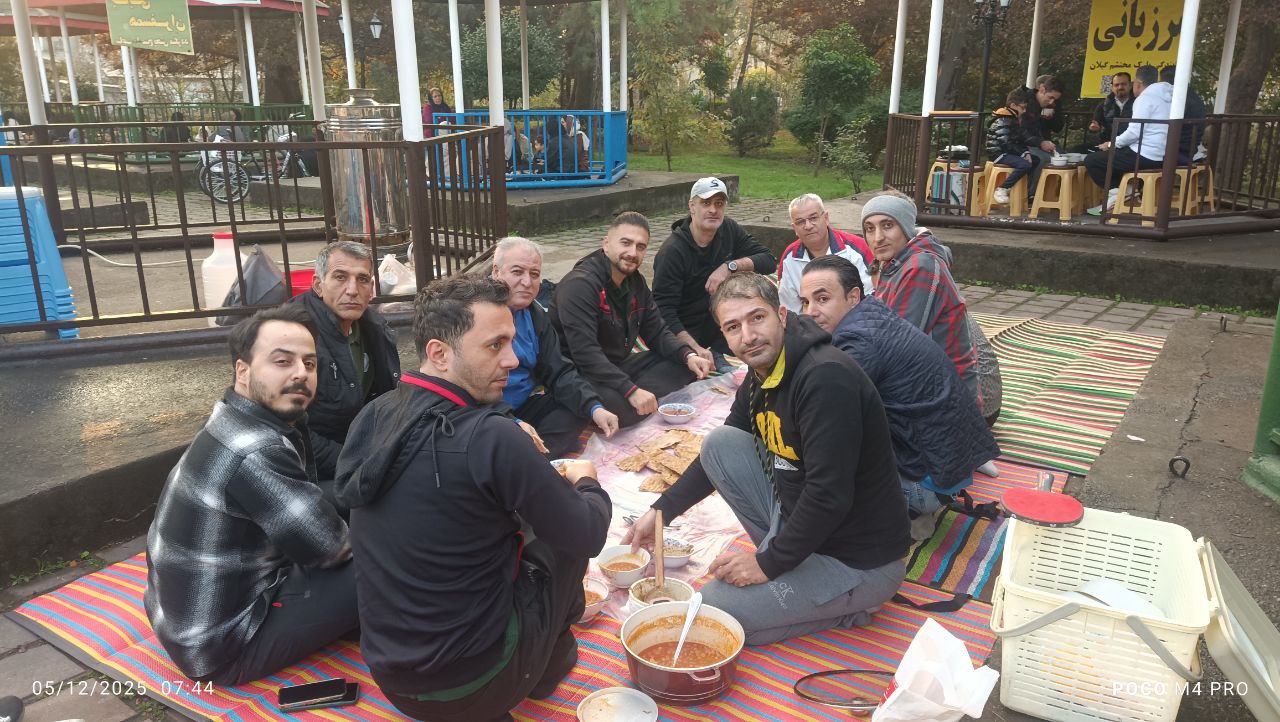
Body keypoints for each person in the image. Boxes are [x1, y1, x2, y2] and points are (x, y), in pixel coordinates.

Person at [335, 275, 612, 722]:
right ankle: (545, 666)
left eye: (511, 341)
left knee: (525, 518)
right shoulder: (493, 439)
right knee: (566, 528)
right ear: (439, 354)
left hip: (392, 677)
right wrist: (586, 482)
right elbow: (589, 535)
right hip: (475, 683)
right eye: (495, 345)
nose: (514, 359)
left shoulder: (375, 414)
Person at [624, 273, 909, 646]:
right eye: (733, 327)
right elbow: (722, 450)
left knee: (710, 611)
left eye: (757, 318)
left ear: (782, 316)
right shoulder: (764, 371)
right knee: (720, 443)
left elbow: (828, 495)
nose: (748, 336)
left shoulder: (825, 379)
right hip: (806, 529)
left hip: (858, 560)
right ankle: (791, 568)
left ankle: (848, 607)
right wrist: (661, 512)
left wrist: (766, 563)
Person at [145, 305, 355, 686]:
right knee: (389, 559)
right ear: (242, 372)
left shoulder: (232, 415)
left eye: (310, 363)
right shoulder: (255, 449)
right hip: (222, 649)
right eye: (282, 361)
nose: (301, 373)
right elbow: (334, 549)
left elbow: (313, 500)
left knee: (345, 503)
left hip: (184, 621)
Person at [799, 255, 999, 538]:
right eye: (804, 302)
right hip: (952, 465)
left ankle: (909, 514)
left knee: (817, 445)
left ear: (853, 296)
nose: (810, 312)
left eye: (822, 299)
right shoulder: (873, 314)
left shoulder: (856, 342)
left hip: (929, 482)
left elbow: (824, 415)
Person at [550, 212, 713, 428]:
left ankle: (642, 397)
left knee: (686, 364)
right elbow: (585, 353)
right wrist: (630, 390)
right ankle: (636, 399)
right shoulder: (580, 285)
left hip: (616, 366)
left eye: (640, 247)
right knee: (624, 411)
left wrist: (688, 355)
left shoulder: (635, 281)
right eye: (625, 243)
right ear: (606, 244)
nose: (632, 253)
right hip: (578, 374)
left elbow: (657, 331)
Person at [862, 191, 1001, 424]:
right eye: (869, 228)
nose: (877, 238)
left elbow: (895, 350)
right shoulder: (895, 262)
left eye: (887, 225)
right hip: (941, 394)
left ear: (906, 227)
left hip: (958, 411)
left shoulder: (921, 265)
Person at [491, 236, 620, 457]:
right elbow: (470, 390)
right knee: (498, 435)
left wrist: (594, 408)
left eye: (534, 274)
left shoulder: (535, 313)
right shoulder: (477, 315)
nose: (527, 282)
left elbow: (558, 370)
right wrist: (513, 422)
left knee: (583, 405)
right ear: (496, 272)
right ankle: (529, 457)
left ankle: (533, 456)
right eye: (517, 272)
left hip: (523, 405)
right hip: (486, 410)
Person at [292, 241, 400, 484]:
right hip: (309, 472)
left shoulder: (374, 328)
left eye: (362, 279)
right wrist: (355, 463)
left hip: (360, 456)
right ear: (318, 285)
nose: (352, 290)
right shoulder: (293, 332)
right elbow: (287, 429)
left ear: (371, 288)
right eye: (340, 277)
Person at [653, 177, 777, 371]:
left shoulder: (728, 229)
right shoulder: (672, 252)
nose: (713, 210)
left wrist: (730, 266)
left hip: (724, 331)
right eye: (706, 203)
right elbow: (663, 312)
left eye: (719, 204)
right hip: (686, 336)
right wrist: (693, 349)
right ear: (692, 206)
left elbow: (768, 260)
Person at [1085, 65, 1171, 215]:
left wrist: (1111, 144)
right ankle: (1126, 191)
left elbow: (1134, 132)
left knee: (1092, 160)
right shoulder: (1168, 97)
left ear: (1136, 83)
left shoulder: (1144, 98)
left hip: (1145, 155)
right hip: (1162, 154)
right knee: (1113, 157)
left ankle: (1120, 193)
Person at [776, 193, 873, 313]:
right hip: (809, 323)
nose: (808, 226)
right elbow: (790, 309)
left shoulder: (858, 248)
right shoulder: (789, 258)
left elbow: (871, 298)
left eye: (813, 218)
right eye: (800, 222)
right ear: (794, 228)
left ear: (826, 218)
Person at [986, 88, 1038, 206]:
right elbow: (1005, 143)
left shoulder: (1012, 118)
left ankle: (1020, 185)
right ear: (1013, 105)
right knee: (1025, 164)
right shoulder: (1004, 119)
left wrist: (1026, 152)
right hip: (999, 153)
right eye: (1022, 107)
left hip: (1007, 151)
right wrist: (1022, 154)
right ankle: (1003, 188)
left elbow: (1019, 140)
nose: (1024, 111)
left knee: (1035, 160)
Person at [1017, 74, 1065, 197]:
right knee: (1042, 159)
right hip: (1022, 144)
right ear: (1042, 89)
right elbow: (1020, 130)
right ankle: (1030, 195)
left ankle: (1051, 194)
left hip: (1042, 142)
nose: (1052, 101)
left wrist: (1053, 113)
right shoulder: (1025, 101)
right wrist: (1040, 143)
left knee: (1063, 157)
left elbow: (1058, 128)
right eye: (1050, 97)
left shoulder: (1052, 104)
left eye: (1055, 99)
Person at [1158, 66, 1207, 161]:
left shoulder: (1178, 98)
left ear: (1165, 81)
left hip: (1178, 150)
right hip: (1189, 148)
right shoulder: (1192, 95)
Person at [1088, 72, 1133, 145]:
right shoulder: (1103, 105)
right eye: (1116, 85)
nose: (1120, 87)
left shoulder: (1139, 103)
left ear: (1130, 85)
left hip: (1132, 145)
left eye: (1123, 84)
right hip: (1107, 144)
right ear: (1112, 87)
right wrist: (1093, 130)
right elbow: (1094, 132)